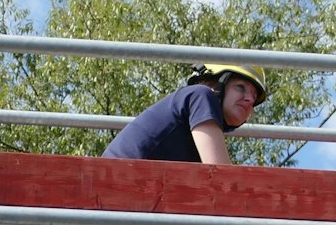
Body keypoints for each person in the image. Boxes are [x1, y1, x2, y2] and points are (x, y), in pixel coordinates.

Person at [102, 64, 268, 165]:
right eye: (240, 87)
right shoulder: (201, 95)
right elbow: (221, 176)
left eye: (254, 96)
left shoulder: (194, 138)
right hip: (113, 185)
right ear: (217, 83)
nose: (249, 99)